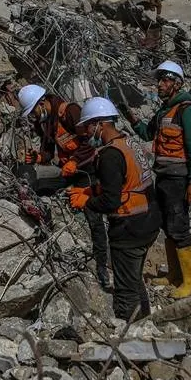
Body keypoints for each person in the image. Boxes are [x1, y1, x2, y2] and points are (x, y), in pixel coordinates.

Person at [67, 98, 160, 321]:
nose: (87, 132)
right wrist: (93, 190)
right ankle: (146, 321)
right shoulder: (128, 144)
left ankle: (131, 333)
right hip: (149, 220)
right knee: (134, 279)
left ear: (100, 123)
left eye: (89, 125)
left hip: (130, 228)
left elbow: (111, 201)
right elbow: (126, 181)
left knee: (125, 289)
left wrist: (86, 202)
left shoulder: (109, 155)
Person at [122, 61, 191, 299]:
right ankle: (176, 276)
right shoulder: (163, 112)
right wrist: (133, 119)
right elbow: (148, 135)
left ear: (176, 83)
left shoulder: (185, 110)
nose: (160, 84)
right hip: (165, 178)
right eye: (159, 80)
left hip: (179, 179)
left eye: (165, 80)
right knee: (168, 226)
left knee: (179, 227)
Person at [18, 85, 110, 289]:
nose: (33, 116)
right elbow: (50, 153)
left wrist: (75, 162)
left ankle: (102, 266)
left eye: (33, 111)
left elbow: (91, 141)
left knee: (93, 216)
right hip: (67, 171)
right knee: (37, 186)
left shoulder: (69, 112)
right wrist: (38, 157)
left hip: (86, 171)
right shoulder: (46, 122)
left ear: (42, 103)